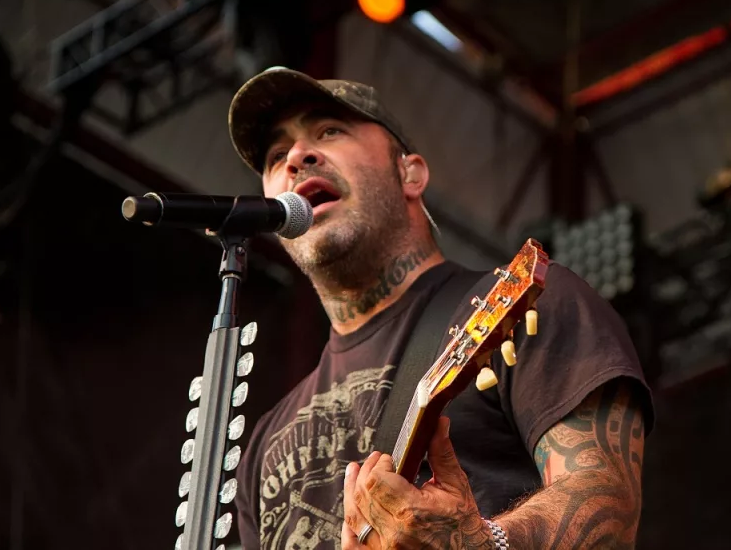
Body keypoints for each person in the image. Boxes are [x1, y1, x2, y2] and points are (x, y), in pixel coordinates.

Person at [227, 66, 655, 549]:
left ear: (410, 173)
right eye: (276, 155)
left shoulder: (521, 304)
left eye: (330, 130)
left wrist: (481, 543)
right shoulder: (263, 446)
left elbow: (607, 511)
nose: (298, 157)